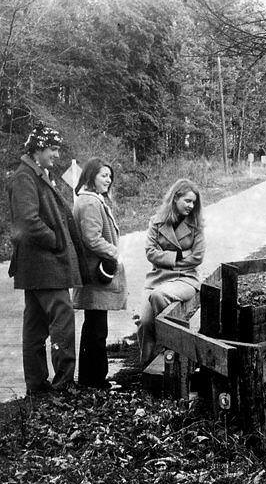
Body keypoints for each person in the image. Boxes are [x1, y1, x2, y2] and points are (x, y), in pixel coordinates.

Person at [8, 124, 85, 395]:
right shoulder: (25, 177)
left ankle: (38, 387)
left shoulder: (35, 173)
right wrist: (57, 241)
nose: (56, 154)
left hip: (38, 267)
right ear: (38, 149)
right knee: (61, 317)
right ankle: (63, 384)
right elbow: (28, 221)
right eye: (52, 148)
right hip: (44, 265)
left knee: (36, 326)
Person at [71, 158, 127, 389]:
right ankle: (95, 381)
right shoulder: (91, 203)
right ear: (91, 176)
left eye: (110, 176)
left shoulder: (89, 200)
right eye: (103, 175)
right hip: (96, 274)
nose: (108, 180)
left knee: (94, 327)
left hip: (93, 274)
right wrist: (115, 253)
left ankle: (91, 379)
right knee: (97, 330)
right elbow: (91, 238)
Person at [138, 178, 205, 364]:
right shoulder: (156, 222)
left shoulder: (196, 225)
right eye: (187, 201)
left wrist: (167, 261)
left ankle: (172, 355)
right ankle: (147, 367)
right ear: (175, 198)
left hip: (185, 280)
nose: (191, 206)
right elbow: (150, 253)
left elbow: (198, 257)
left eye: (194, 202)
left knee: (159, 296)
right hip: (156, 279)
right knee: (144, 323)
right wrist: (180, 255)